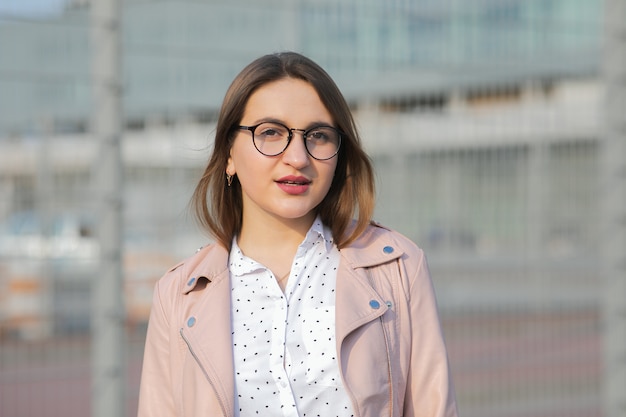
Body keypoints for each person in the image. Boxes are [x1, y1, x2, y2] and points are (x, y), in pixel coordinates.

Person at [138, 51, 458, 417]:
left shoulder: (398, 267)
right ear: (229, 154)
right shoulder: (179, 294)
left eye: (318, 136)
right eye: (271, 133)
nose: (298, 157)